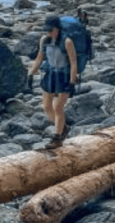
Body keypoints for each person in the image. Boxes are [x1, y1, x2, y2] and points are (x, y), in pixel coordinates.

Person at [28, 15, 78, 149]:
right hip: (50, 76)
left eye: (51, 30)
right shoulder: (44, 40)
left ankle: (57, 138)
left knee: (58, 107)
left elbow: (73, 63)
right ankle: (63, 127)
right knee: (46, 107)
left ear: (58, 29)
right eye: (47, 30)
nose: (49, 33)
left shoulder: (67, 42)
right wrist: (31, 74)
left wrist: (72, 83)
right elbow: (39, 58)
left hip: (64, 76)